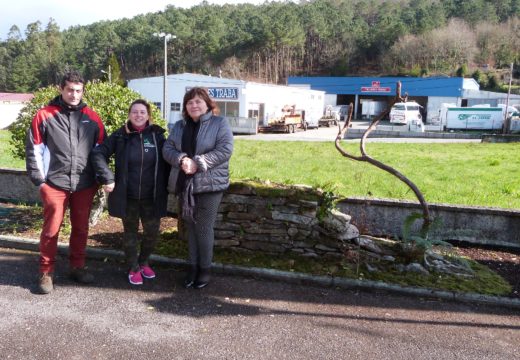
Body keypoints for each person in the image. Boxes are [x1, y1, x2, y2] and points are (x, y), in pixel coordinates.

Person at [25, 70, 106, 294]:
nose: (73, 94)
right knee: (51, 229)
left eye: (78, 90)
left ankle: (77, 267)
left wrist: (100, 179)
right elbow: (34, 150)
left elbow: (100, 151)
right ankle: (46, 272)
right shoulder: (44, 115)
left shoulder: (92, 117)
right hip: (54, 183)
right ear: (61, 89)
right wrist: (40, 181)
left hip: (85, 184)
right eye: (70, 89)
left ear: (83, 91)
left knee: (81, 228)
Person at [91, 99, 169, 286]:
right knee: (130, 233)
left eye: (142, 112)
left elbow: (170, 156)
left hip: (152, 196)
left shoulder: (157, 136)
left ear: (148, 115)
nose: (138, 115)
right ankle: (133, 267)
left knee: (152, 232)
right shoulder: (120, 136)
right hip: (129, 196)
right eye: (135, 112)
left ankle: (143, 262)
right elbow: (98, 153)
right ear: (129, 114)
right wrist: (107, 177)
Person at [162, 87, 233, 289]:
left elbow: (225, 149)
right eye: (190, 102)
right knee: (190, 227)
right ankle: (192, 266)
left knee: (203, 227)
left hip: (210, 184)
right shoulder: (179, 126)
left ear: (207, 104)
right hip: (185, 184)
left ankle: (205, 269)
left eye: (198, 101)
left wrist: (198, 163)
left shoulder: (220, 123)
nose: (194, 105)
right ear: (186, 106)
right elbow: (167, 149)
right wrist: (182, 158)